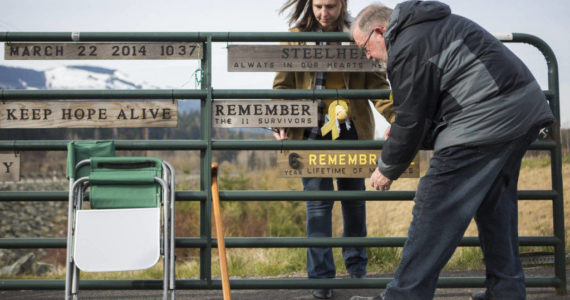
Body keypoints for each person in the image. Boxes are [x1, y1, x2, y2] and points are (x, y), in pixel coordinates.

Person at [350, 1, 554, 300]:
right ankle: (506, 292)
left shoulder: (407, 45)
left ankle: (404, 296)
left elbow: (411, 121)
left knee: (433, 206)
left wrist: (386, 168)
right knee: (495, 207)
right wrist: (412, 130)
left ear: (379, 32)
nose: (366, 55)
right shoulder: (431, 28)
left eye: (364, 47)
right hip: (521, 111)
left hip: (486, 121)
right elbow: (435, 109)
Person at [273, 0, 395, 299]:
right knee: (318, 206)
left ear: (342, 4)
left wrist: (401, 118)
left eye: (330, 6)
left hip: (351, 133)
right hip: (310, 134)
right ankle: (321, 280)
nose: (323, 13)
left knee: (354, 204)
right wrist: (280, 119)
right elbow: (282, 87)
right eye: (317, 6)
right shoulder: (294, 37)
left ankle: (357, 273)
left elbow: (378, 87)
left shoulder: (358, 34)